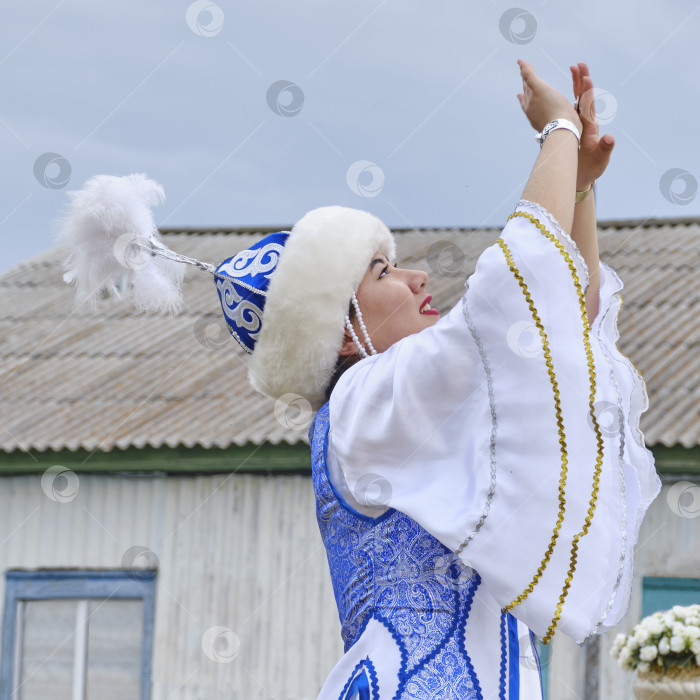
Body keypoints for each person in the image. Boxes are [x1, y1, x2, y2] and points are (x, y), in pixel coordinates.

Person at [60, 60, 660, 700]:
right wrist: (558, 132)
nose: (417, 279)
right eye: (383, 272)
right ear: (342, 331)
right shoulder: (359, 401)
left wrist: (579, 191)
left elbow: (564, 325)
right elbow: (515, 286)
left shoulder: (408, 407)